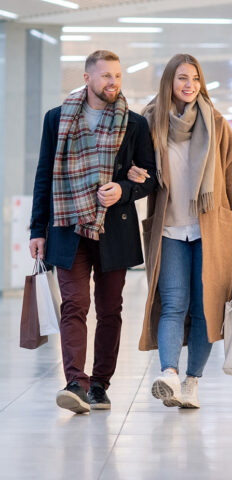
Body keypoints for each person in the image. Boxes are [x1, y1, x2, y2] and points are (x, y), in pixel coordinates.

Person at [29, 50, 157, 414]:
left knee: (110, 309)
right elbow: (44, 177)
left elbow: (151, 176)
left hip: (113, 227)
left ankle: (100, 384)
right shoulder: (57, 119)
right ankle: (75, 383)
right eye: (105, 76)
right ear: (87, 78)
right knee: (74, 304)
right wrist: (37, 229)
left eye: (117, 75)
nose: (113, 82)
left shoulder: (134, 124)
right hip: (68, 225)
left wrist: (123, 190)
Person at [130, 53, 232, 409]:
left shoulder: (216, 123)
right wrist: (135, 175)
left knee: (205, 308)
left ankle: (192, 382)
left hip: (211, 230)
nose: (189, 85)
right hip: (168, 230)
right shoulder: (149, 123)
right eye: (182, 78)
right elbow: (136, 169)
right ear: (169, 81)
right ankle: (169, 373)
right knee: (173, 303)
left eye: (195, 79)